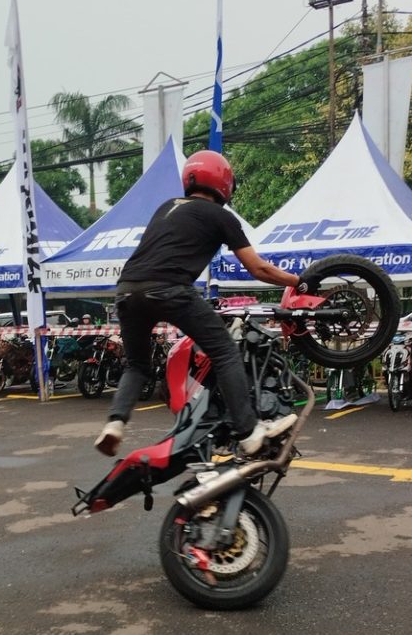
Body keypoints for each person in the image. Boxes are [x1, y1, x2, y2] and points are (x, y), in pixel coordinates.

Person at [94, 150, 303, 458]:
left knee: (136, 365)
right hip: (170, 288)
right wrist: (298, 282)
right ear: (224, 183)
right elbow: (258, 268)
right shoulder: (221, 216)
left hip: (127, 290)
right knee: (224, 351)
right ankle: (249, 432)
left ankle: (115, 424)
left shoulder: (167, 207)